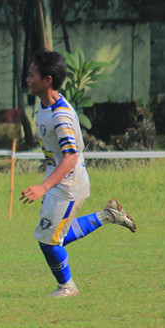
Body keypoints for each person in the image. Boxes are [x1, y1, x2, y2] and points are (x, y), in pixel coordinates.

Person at [21, 49, 137, 298]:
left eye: (32, 75)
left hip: (68, 184)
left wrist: (43, 188)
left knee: (48, 239)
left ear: (47, 80)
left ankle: (67, 287)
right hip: (58, 181)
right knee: (53, 235)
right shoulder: (43, 104)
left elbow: (71, 157)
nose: (27, 79)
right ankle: (107, 216)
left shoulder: (60, 116)